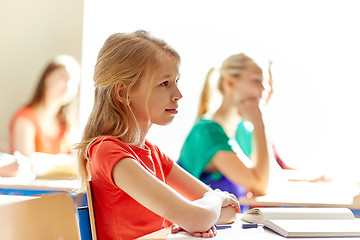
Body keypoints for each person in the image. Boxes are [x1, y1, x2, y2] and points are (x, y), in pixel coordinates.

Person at [76, 30, 240, 240]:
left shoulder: (152, 154)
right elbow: (200, 217)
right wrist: (214, 198)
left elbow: (229, 213)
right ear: (123, 93)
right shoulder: (107, 152)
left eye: (176, 82)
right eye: (165, 84)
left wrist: (197, 214)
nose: (178, 95)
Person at [178, 53, 270, 207]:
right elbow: (261, 186)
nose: (264, 89)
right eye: (256, 81)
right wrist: (259, 123)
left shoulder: (243, 130)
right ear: (230, 83)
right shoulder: (208, 132)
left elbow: (264, 176)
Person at [8, 55, 80, 178]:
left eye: (74, 82)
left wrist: (43, 160)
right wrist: (64, 161)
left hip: (60, 191)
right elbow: (27, 165)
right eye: (63, 77)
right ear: (47, 78)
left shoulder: (67, 124)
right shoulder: (25, 118)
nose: (68, 85)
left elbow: (78, 163)